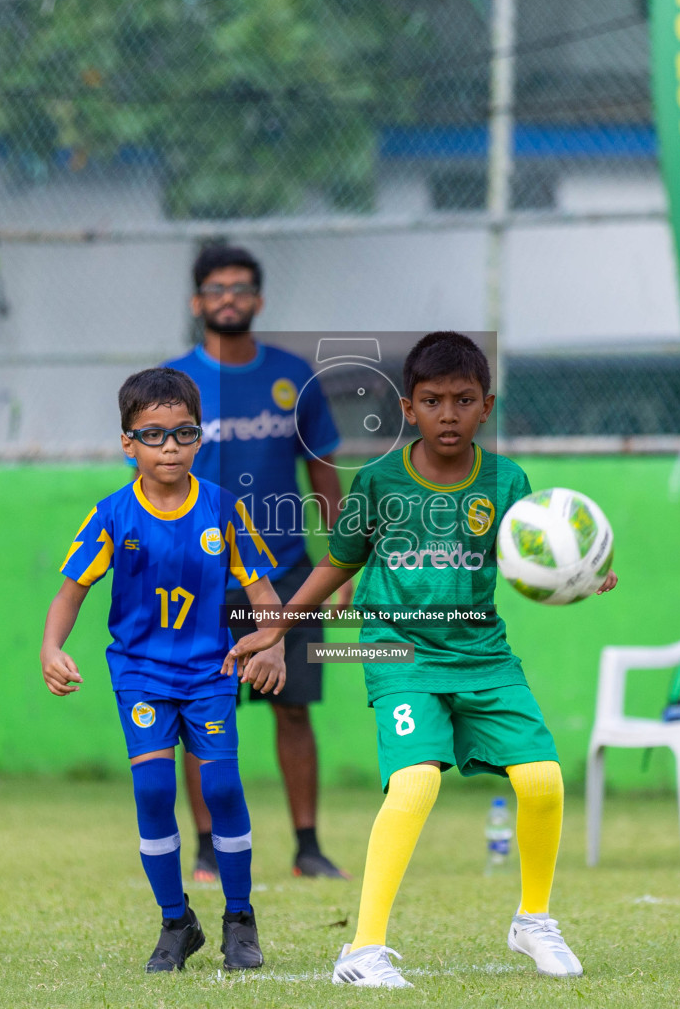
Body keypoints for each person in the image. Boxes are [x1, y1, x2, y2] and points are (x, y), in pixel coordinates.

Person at [226, 332, 618, 987]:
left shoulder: (508, 482)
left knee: (543, 779)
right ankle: (362, 949)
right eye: (432, 401)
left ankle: (534, 921)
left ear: (486, 407)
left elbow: (527, 558)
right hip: (399, 651)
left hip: (482, 653)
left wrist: (574, 577)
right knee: (416, 782)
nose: (448, 414)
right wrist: (277, 626)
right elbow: (338, 563)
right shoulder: (380, 482)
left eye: (463, 400)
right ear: (408, 408)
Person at [39, 367, 285, 971]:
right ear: (128, 443)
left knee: (221, 786)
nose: (169, 447)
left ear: (200, 439)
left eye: (182, 433)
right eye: (152, 435)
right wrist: (51, 647)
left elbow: (262, 593)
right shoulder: (113, 515)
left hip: (209, 673)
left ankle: (239, 918)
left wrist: (273, 644)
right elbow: (71, 592)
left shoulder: (226, 511)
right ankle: (177, 922)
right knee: (153, 789)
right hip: (140, 674)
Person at [164, 245, 352, 881]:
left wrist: (344, 562)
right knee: (203, 713)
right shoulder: (175, 386)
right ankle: (208, 850)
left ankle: (308, 847)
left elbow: (323, 474)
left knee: (293, 709)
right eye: (216, 288)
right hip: (199, 577)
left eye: (242, 288)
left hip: (289, 573)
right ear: (197, 302)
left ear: (259, 300)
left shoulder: (294, 376)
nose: (229, 298)